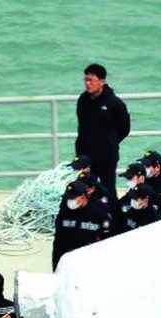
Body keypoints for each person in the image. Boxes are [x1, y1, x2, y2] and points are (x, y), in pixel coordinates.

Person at [75, 63, 131, 196]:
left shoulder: (114, 103)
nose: (87, 83)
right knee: (86, 189)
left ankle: (113, 216)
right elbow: (81, 126)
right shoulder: (83, 100)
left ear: (101, 82)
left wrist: (110, 141)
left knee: (108, 189)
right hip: (85, 155)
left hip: (107, 156)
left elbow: (124, 128)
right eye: (86, 80)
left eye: (91, 80)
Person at [52, 180, 110, 270]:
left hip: (90, 260)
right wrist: (56, 267)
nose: (69, 201)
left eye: (72, 198)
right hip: (68, 258)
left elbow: (107, 241)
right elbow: (58, 242)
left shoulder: (99, 215)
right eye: (67, 198)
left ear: (83, 197)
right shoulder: (63, 214)